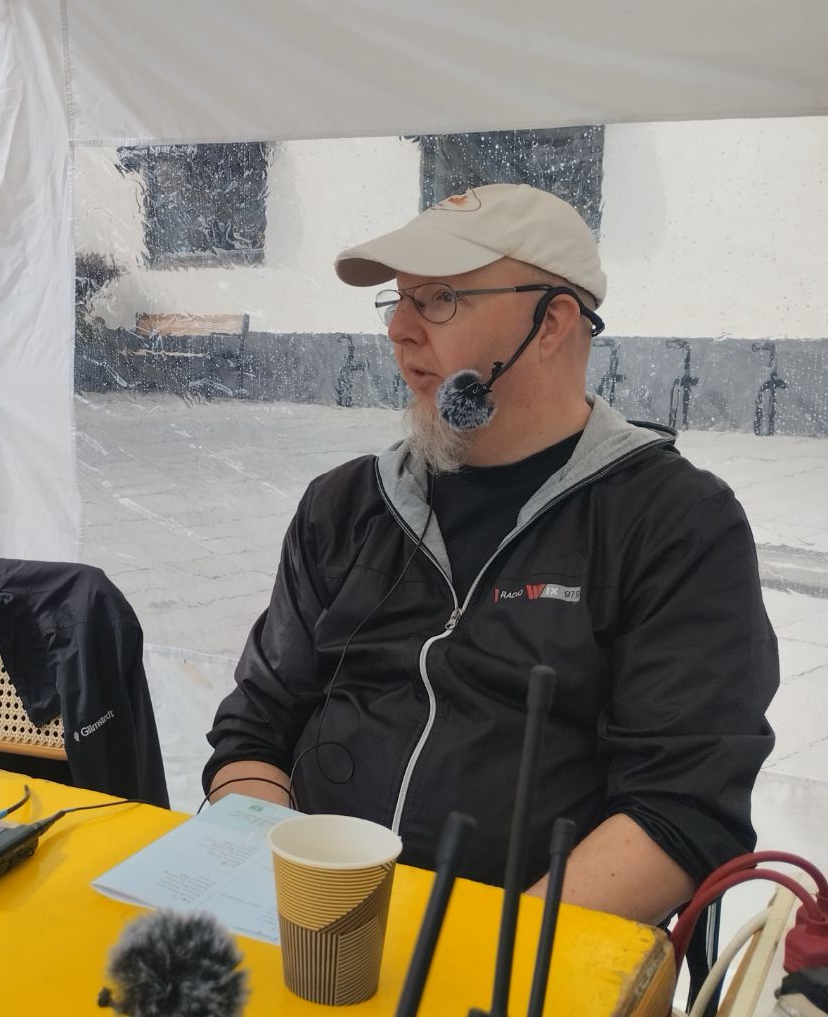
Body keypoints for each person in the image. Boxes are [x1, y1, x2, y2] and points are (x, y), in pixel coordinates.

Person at [203, 183, 778, 924]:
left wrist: (476, 964)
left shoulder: (673, 522)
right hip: (312, 932)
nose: (400, 331)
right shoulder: (345, 504)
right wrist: (274, 884)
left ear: (551, 322)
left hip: (520, 961)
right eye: (397, 300)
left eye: (439, 299)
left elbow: (681, 811)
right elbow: (257, 724)